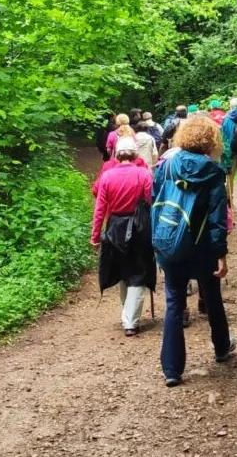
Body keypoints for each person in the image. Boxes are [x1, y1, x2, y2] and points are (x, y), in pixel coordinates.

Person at [151, 116, 237, 387]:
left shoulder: (165, 166)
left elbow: (156, 203)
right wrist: (221, 254)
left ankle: (172, 370)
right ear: (211, 140)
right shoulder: (214, 172)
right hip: (201, 249)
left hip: (170, 244)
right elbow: (217, 220)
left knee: (174, 301)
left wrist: (157, 242)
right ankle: (222, 348)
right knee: (212, 296)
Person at [91, 137, 156, 337]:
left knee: (122, 270)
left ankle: (127, 315)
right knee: (138, 272)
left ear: (117, 154)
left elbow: (100, 209)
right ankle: (131, 320)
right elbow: (151, 203)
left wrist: (95, 235)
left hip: (115, 228)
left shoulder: (107, 176)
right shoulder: (144, 174)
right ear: (135, 153)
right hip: (139, 228)